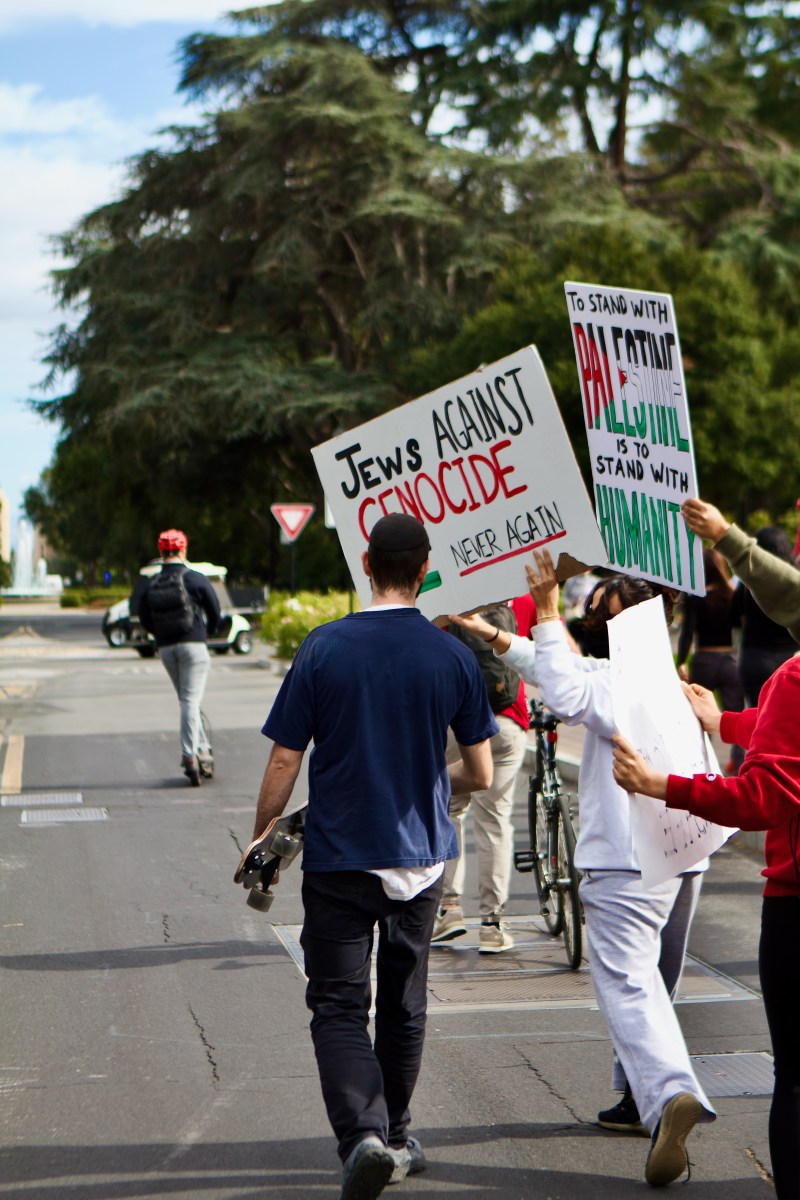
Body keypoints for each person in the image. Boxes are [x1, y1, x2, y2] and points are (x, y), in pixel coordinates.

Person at [246, 513, 497, 1200]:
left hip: (339, 855)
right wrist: (425, 783)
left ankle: (362, 1135)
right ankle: (393, 1135)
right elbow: (481, 772)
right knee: (406, 1002)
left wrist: (265, 832)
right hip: (420, 858)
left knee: (336, 1003)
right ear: (425, 568)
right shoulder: (452, 657)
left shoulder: (324, 647)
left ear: (366, 562)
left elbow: (285, 756)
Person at [450, 549, 715, 1188]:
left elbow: (567, 688)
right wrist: (492, 634)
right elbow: (566, 667)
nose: (594, 621)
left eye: (602, 613)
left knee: (628, 983)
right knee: (656, 983)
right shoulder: (664, 675)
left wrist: (543, 604)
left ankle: (670, 1092)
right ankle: (634, 1099)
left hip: (627, 861)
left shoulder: (613, 680)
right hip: (686, 851)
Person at [612, 665, 800, 1200]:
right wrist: (727, 723)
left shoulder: (795, 678)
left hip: (795, 905)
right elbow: (779, 727)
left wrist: (659, 785)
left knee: (793, 1079)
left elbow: (762, 797)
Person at [432, 592, 537, 953]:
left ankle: (449, 910)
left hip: (455, 723)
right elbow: (542, 657)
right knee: (495, 819)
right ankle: (492, 925)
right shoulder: (521, 600)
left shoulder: (444, 598)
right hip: (508, 722)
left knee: (450, 811)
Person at [137, 529, 220, 786]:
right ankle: (190, 756)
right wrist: (207, 632)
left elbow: (143, 618)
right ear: (183, 550)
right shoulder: (195, 578)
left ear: (161, 553)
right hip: (194, 644)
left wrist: (160, 635)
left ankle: (203, 749)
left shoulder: (151, 583)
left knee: (188, 699)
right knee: (190, 700)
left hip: (166, 648)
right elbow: (214, 609)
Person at [681, 498, 800, 644]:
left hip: (753, 657)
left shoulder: (744, 589)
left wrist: (723, 534)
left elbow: (735, 621)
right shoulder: (733, 590)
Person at [675, 547, 745, 772]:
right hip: (729, 661)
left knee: (700, 719)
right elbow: (740, 627)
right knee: (736, 718)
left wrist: (681, 661)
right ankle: (741, 766)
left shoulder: (695, 598)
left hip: (704, 660)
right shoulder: (732, 594)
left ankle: (701, 767)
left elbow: (687, 633)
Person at [732, 526, 800, 706]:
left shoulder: (749, 584)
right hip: (792, 660)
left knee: (758, 720)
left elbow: (733, 615)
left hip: (756, 658)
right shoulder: (795, 580)